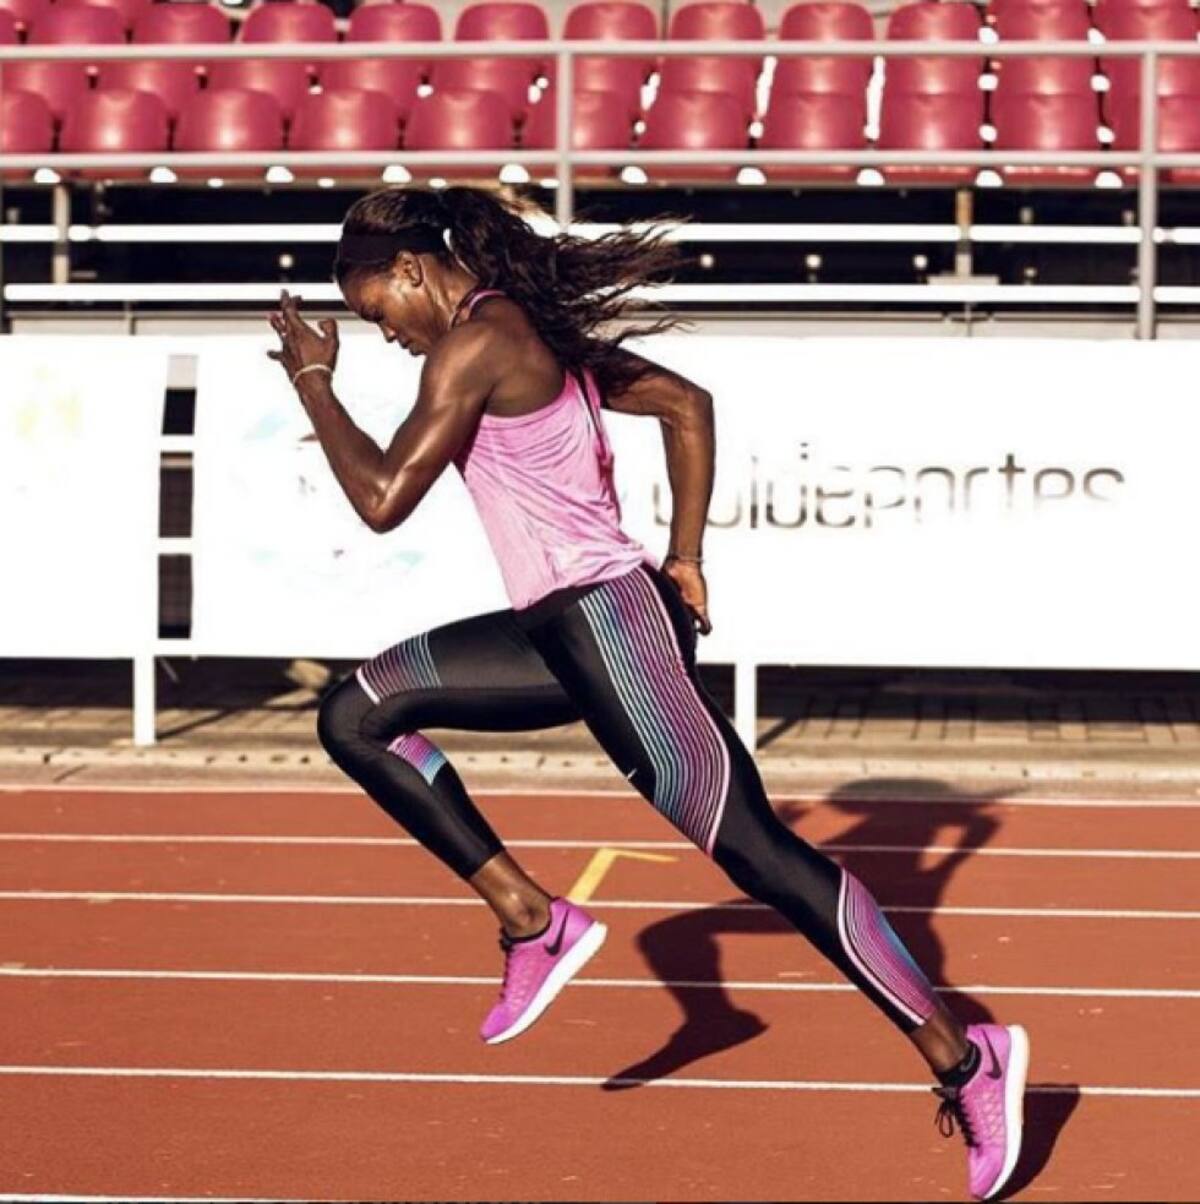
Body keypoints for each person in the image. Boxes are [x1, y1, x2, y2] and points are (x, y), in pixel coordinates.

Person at [265, 184, 1029, 1202]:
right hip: (559, 630)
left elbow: (380, 500)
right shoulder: (518, 328)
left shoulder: (475, 344)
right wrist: (688, 559)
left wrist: (316, 383)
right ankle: (534, 918)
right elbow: (684, 403)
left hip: (609, 627)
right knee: (357, 713)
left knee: (761, 855)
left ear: (410, 272)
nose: (381, 338)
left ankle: (964, 1055)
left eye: (375, 315)